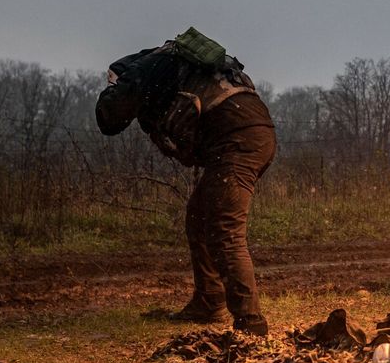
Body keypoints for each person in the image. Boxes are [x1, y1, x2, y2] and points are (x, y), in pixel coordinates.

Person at [95, 27, 276, 336]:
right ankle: (208, 301)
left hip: (234, 138)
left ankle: (251, 324)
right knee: (199, 216)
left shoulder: (143, 69)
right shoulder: (177, 61)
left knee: (225, 230)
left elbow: (109, 118)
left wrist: (116, 87)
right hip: (253, 131)